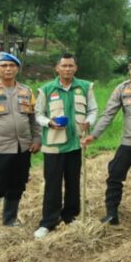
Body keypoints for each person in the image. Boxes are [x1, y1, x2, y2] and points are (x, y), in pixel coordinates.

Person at [83, 56, 131, 226]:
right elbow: (108, 114)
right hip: (130, 143)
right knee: (115, 174)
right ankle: (112, 214)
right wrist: (94, 135)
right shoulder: (122, 89)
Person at [34, 53, 99, 239]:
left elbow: (93, 109)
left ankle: (70, 216)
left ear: (76, 68)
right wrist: (49, 123)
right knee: (52, 184)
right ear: (57, 68)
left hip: (76, 144)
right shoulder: (46, 89)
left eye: (71, 65)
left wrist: (89, 121)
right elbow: (38, 114)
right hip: (53, 146)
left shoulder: (85, 87)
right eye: (64, 66)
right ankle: (48, 222)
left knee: (73, 182)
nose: (67, 69)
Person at [0, 52, 40, 229]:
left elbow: (34, 119)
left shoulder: (26, 92)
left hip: (22, 148)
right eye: (4, 66)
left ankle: (10, 221)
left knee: (17, 184)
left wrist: (36, 139)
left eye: (12, 66)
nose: (8, 69)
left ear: (17, 69)